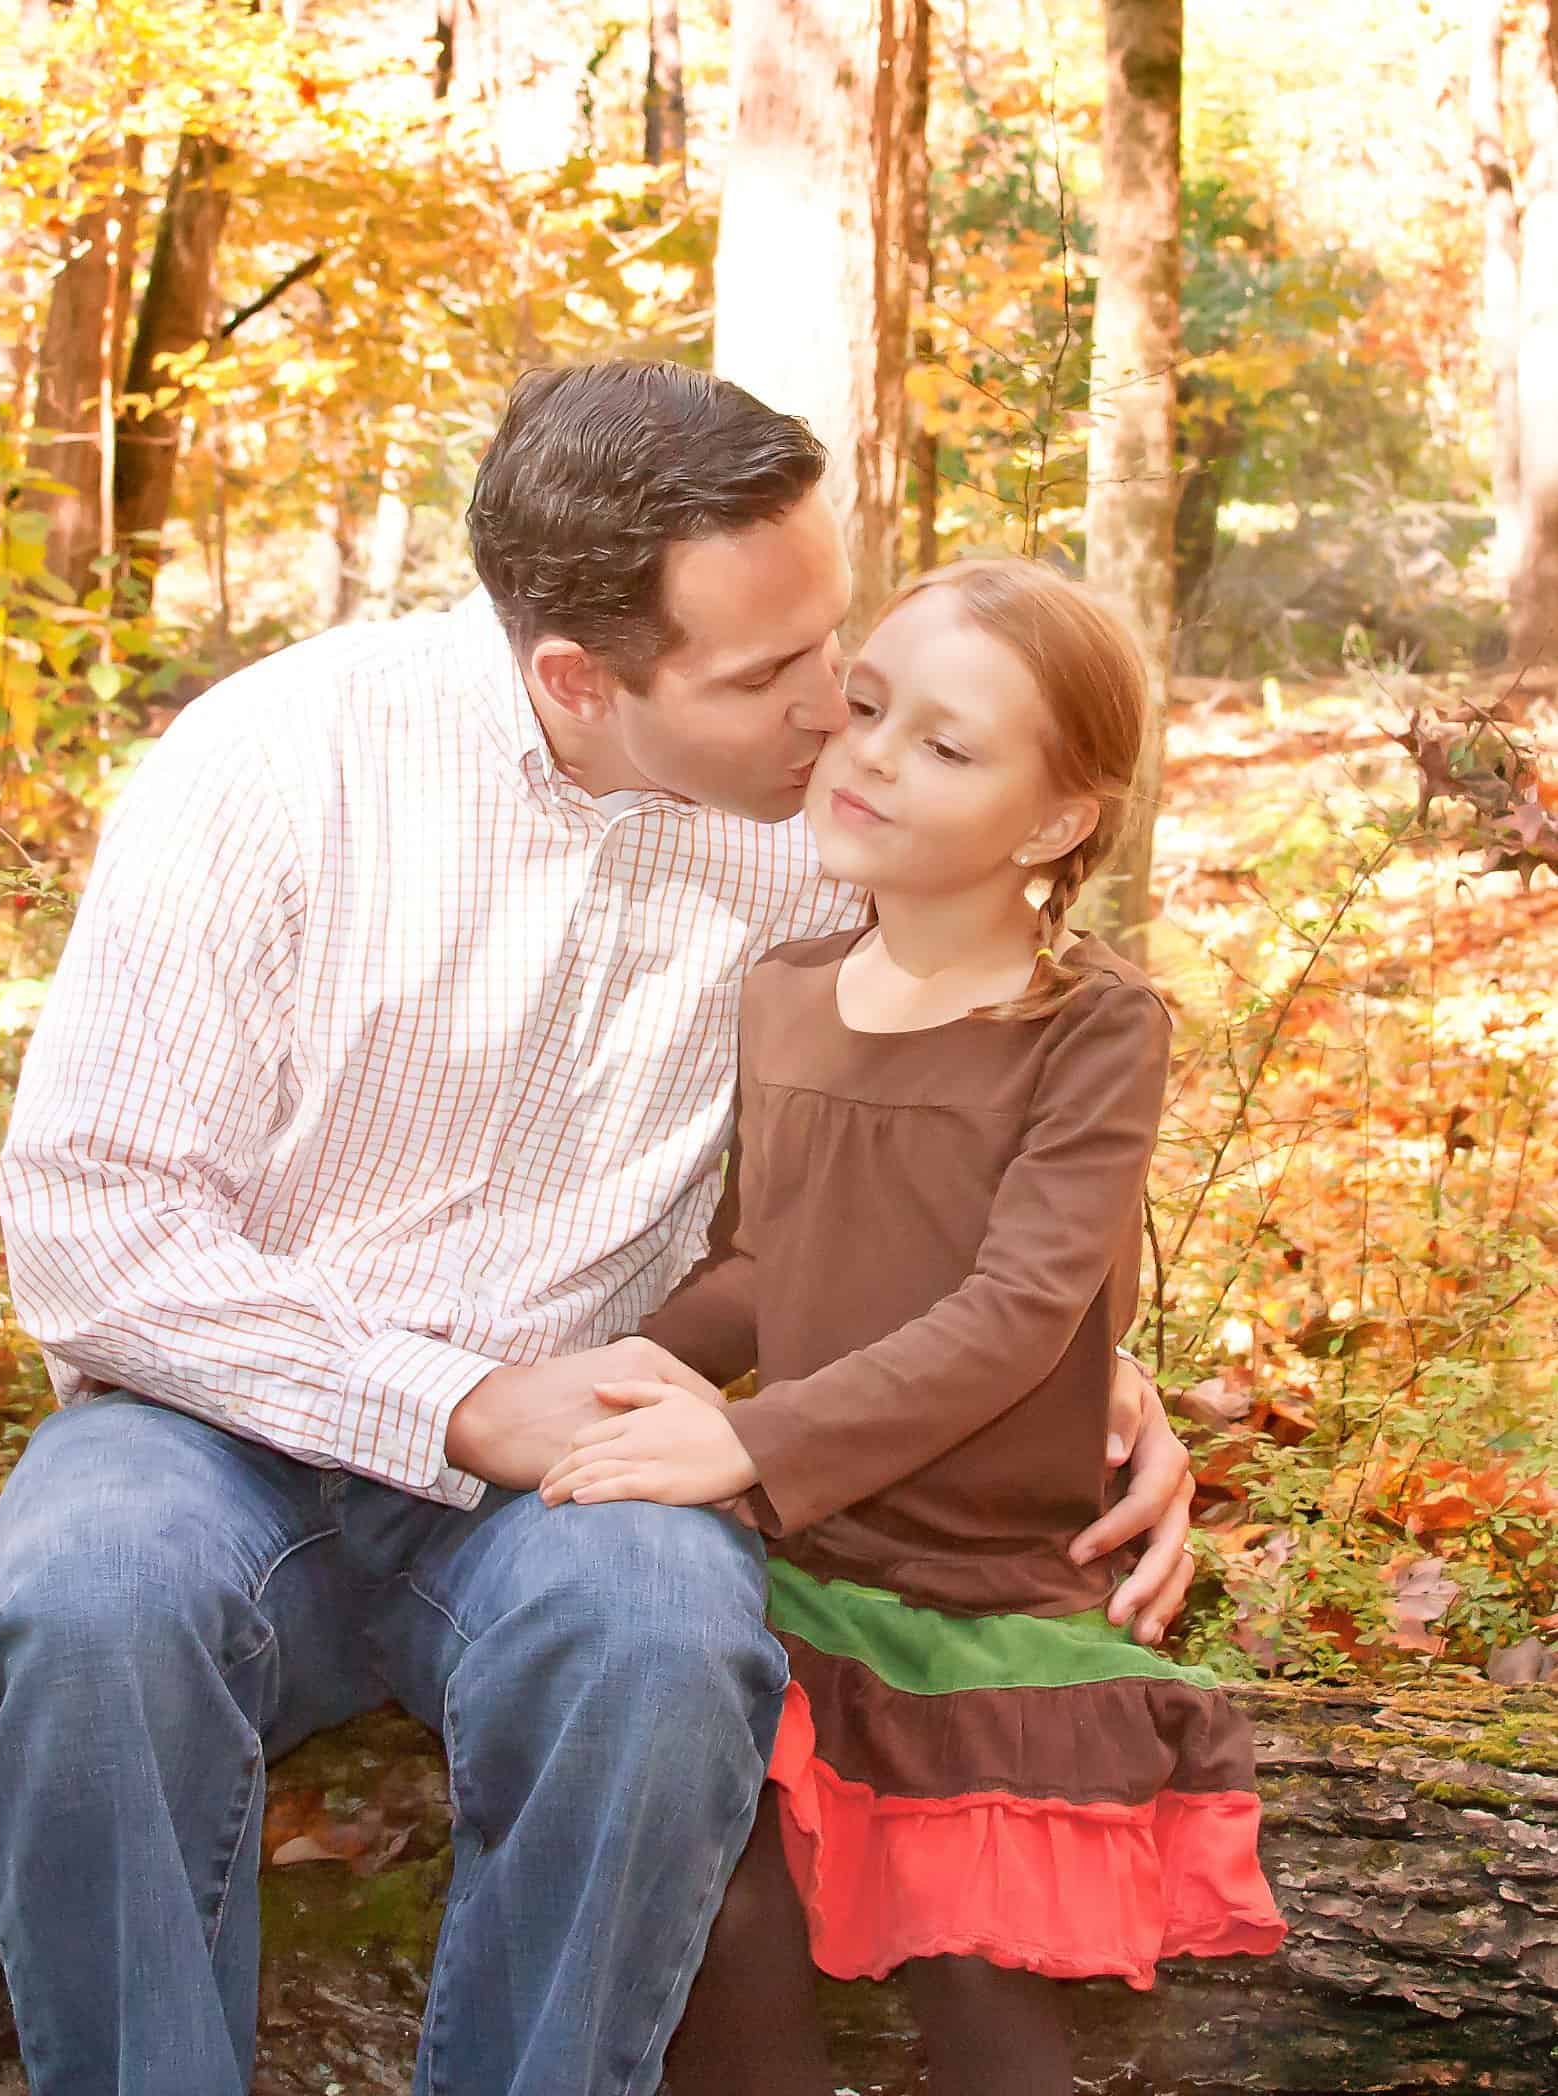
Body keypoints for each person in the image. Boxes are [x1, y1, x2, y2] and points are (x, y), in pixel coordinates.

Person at [0, 365, 1199, 2096]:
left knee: (665, 1651)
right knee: (88, 1615)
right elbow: (93, 1215)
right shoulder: (276, 765)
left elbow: (968, 1129)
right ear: (577, 681)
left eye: (830, 637)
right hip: (203, 1424)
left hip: (590, 1447)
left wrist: (1083, 1377)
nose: (833, 708)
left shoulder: (828, 824)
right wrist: (451, 1404)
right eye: (764, 674)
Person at [542, 557, 1286, 2096]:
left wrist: (749, 1440)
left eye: (943, 746)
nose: (871, 755)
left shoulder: (1089, 1026)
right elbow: (765, 1265)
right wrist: (616, 1372)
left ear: (1055, 820)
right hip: (798, 1564)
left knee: (978, 1971)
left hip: (983, 1583)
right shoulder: (787, 989)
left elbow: (1019, 1313)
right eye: (868, 706)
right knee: (724, 1914)